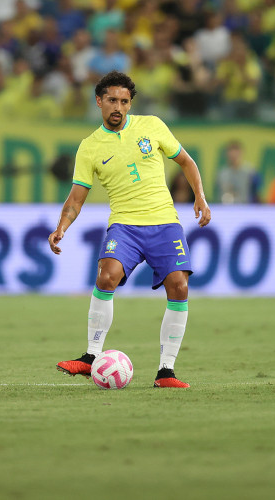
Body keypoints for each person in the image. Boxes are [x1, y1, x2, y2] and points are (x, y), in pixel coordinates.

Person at [49, 71, 211, 388]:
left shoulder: (152, 125)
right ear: (99, 101)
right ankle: (91, 357)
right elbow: (76, 197)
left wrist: (200, 198)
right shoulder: (90, 147)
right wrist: (61, 228)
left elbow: (187, 163)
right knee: (106, 276)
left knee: (179, 287)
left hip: (165, 223)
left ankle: (166, 372)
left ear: (130, 103)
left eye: (124, 101)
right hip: (125, 225)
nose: (118, 107)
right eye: (112, 100)